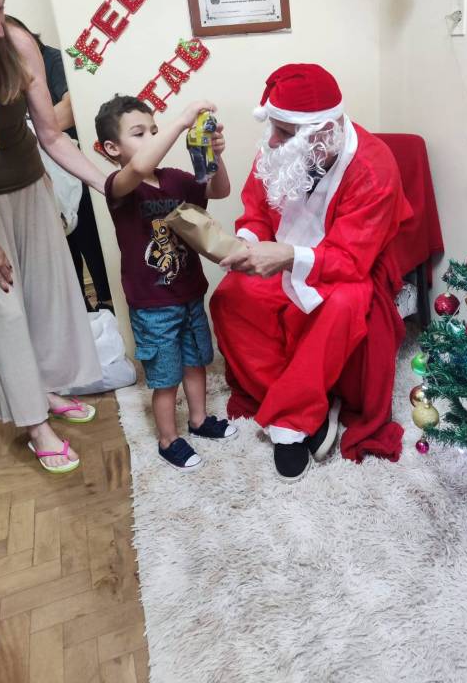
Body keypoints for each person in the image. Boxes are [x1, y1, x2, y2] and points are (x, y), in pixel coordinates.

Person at [210, 63, 412, 483]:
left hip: (347, 269)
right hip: (284, 254)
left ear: (324, 132)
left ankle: (292, 423)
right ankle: (312, 411)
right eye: (273, 127)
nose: (272, 140)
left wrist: (286, 257)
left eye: (284, 132)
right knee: (229, 298)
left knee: (341, 306)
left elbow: (351, 260)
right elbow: (256, 209)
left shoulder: (374, 166)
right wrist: (246, 244)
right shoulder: (279, 151)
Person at [0, 0, 107, 472]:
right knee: (5, 313)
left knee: (44, 300)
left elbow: (52, 135)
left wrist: (109, 185)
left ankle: (43, 388)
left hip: (29, 188)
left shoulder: (15, 43)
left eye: (0, 9)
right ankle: (35, 424)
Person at [96, 95, 237, 472]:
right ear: (112, 148)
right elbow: (140, 165)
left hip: (189, 293)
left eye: (154, 130)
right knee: (165, 378)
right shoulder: (119, 186)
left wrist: (214, 155)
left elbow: (219, 190)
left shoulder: (174, 178)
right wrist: (180, 121)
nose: (153, 139)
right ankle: (167, 439)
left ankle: (198, 420)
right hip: (152, 306)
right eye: (139, 133)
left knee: (196, 363)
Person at [7, 15, 113, 313]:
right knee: (63, 252)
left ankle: (106, 303)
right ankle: (80, 309)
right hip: (40, 179)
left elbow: (68, 111)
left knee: (90, 240)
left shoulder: (52, 59)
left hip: (71, 171)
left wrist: (27, 129)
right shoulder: (7, 72)